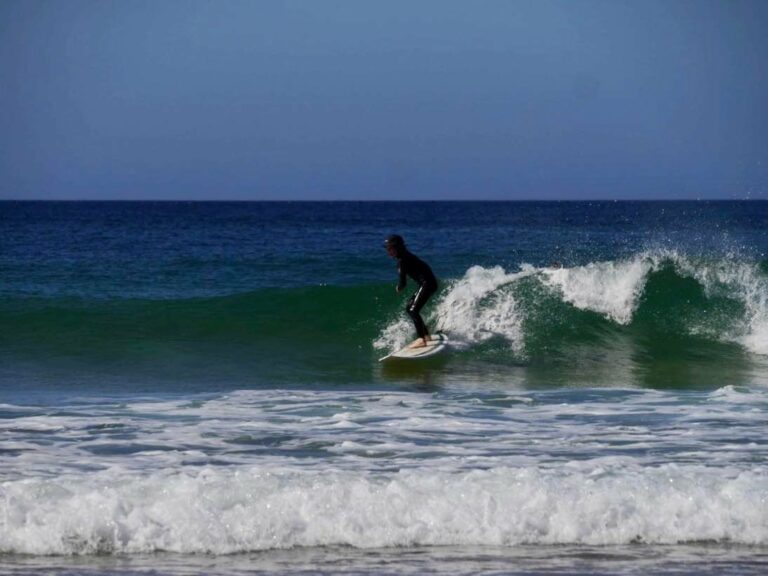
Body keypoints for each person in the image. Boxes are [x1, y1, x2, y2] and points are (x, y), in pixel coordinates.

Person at [384, 234, 438, 348]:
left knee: (413, 310)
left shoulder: (402, 261)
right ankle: (426, 336)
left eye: (390, 248)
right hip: (428, 283)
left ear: (397, 247)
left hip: (427, 284)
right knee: (410, 308)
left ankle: (421, 339)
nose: (388, 251)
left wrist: (398, 288)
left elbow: (403, 283)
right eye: (387, 248)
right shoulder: (405, 256)